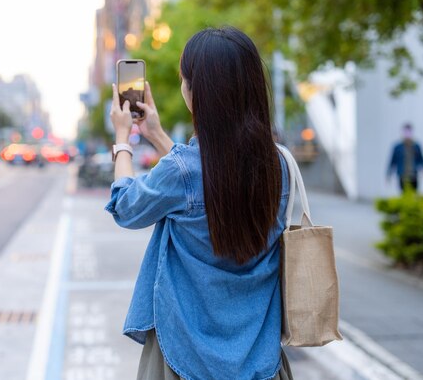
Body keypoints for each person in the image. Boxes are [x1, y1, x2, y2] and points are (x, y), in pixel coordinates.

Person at [105, 26, 293, 380]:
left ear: (195, 92)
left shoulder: (183, 172)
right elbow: (207, 180)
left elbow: (126, 206)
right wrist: (157, 134)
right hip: (259, 361)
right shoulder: (279, 164)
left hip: (184, 360)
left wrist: (122, 138)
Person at [387, 123, 423, 193]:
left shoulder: (416, 146)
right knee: (404, 193)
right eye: (406, 132)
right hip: (402, 175)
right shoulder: (397, 147)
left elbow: (421, 159)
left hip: (413, 175)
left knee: (414, 194)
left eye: (409, 132)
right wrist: (389, 173)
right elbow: (392, 161)